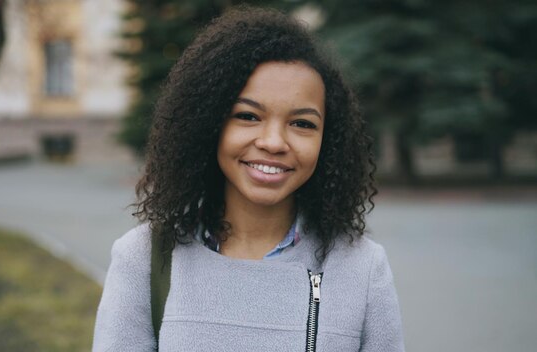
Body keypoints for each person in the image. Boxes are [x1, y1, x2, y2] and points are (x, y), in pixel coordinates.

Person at [93, 6, 404, 352]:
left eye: (302, 123)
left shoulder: (362, 268)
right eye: (248, 116)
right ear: (209, 123)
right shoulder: (145, 259)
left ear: (327, 141)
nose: (273, 142)